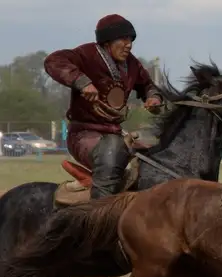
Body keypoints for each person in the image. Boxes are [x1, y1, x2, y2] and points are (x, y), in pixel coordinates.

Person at [44, 14, 163, 199]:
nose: (129, 44)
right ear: (107, 41)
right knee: (112, 151)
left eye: (131, 39)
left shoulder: (132, 63)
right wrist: (81, 81)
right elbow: (53, 61)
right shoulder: (86, 54)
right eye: (123, 39)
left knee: (154, 159)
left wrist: (153, 98)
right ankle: (98, 215)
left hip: (116, 135)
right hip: (83, 135)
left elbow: (148, 85)